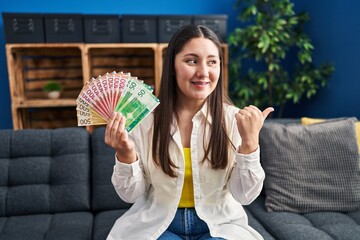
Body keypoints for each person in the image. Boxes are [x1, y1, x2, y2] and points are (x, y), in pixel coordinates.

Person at [104, 24, 274, 240]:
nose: (203, 72)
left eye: (212, 62)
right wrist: (125, 154)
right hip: (161, 223)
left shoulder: (235, 120)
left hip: (218, 224)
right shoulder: (144, 121)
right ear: (172, 66)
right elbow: (130, 195)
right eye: (192, 61)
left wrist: (250, 144)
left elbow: (245, 196)